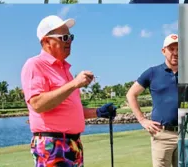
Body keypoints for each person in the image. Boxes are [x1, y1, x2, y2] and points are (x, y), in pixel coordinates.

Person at [21, 15, 116, 167]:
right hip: (52, 144)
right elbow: (37, 104)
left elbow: (70, 109)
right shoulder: (34, 65)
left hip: (73, 144)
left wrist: (98, 112)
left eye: (70, 37)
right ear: (46, 41)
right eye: (64, 37)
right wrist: (74, 84)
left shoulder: (64, 69)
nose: (69, 41)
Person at [126, 34, 179, 167]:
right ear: (163, 51)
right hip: (162, 134)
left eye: (178, 49)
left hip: (187, 134)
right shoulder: (152, 73)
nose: (175, 53)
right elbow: (131, 94)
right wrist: (142, 120)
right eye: (171, 49)